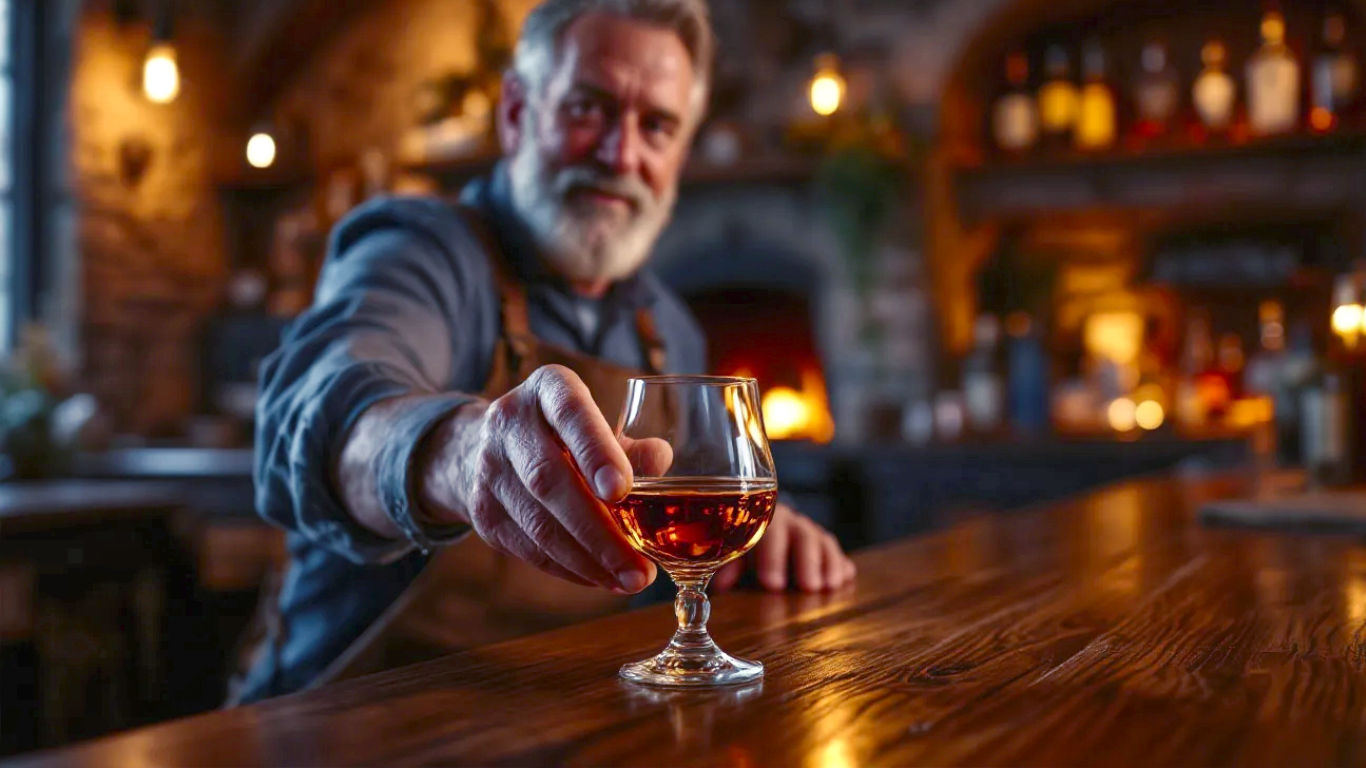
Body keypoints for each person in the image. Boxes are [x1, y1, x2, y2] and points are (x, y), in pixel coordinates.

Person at [238, 0, 854, 702]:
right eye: (588, 109)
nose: (620, 155)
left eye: (657, 126)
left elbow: (689, 510)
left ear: (679, 155)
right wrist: (460, 452)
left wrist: (775, 538)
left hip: (562, 716)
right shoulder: (417, 249)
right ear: (515, 113)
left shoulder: (669, 326)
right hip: (347, 716)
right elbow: (316, 413)